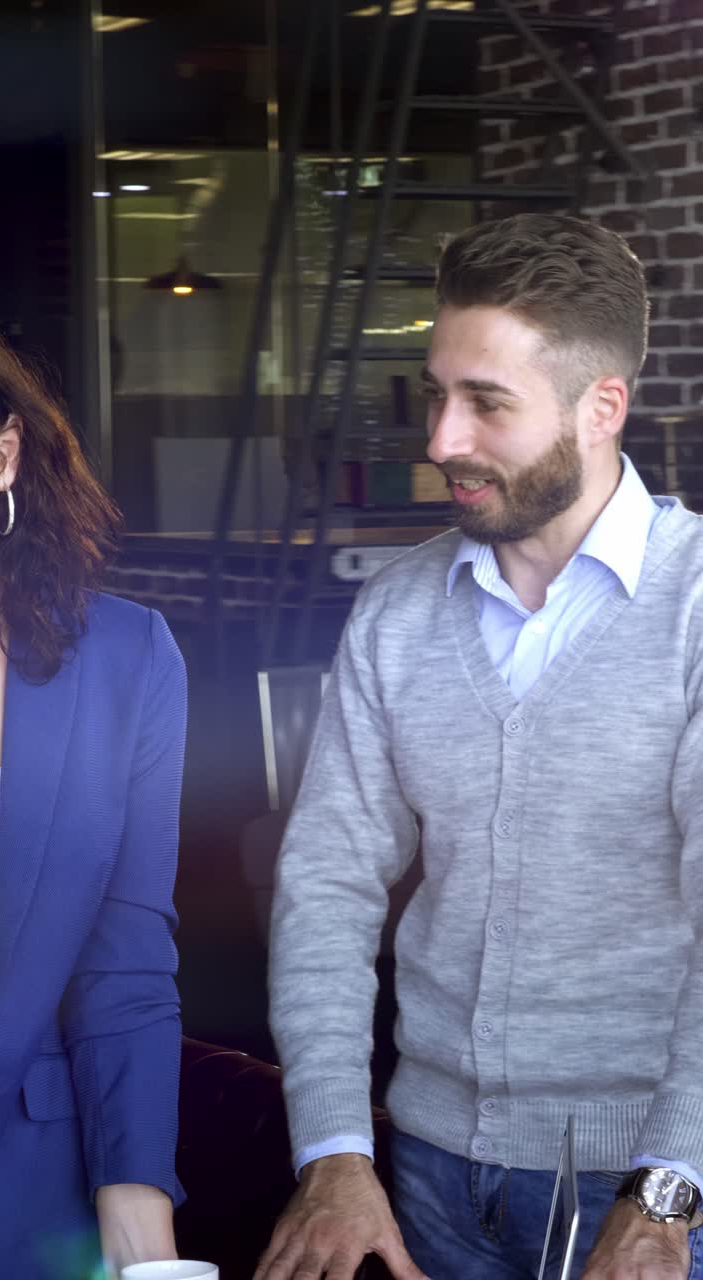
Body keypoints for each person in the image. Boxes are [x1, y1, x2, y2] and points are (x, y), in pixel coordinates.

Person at [259, 212, 703, 1280]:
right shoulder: (399, 610)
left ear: (603, 408)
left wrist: (666, 1188)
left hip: (650, 1186)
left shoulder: (693, 608)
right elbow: (325, 881)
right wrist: (332, 1147)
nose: (442, 439)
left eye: (486, 404)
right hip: (422, 1174)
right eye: (435, 392)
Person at [0, 319, 187, 1277]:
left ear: (1, 454)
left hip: (32, 1181)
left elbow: (122, 961)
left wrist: (137, 1205)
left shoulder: (126, 659)